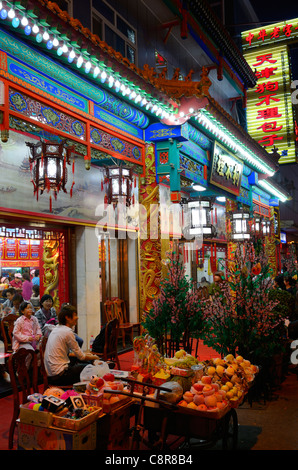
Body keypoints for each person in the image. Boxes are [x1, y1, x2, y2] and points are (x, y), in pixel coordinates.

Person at [44, 304, 98, 385]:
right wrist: (95, 357)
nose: (77, 317)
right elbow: (82, 356)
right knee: (90, 368)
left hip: (51, 375)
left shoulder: (57, 328)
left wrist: (88, 356)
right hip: (60, 376)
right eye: (75, 315)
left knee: (84, 362)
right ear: (67, 317)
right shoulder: (67, 332)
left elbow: (73, 354)